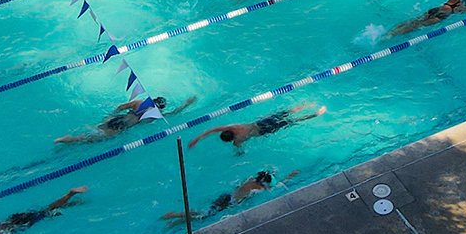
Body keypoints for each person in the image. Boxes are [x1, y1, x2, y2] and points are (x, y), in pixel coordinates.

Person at [163, 171, 294, 225]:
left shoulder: (250, 180)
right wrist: (290, 176)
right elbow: (277, 186)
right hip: (229, 203)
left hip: (226, 196)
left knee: (204, 214)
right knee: (203, 216)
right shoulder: (259, 188)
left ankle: (176, 221)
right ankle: (173, 215)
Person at [57, 96, 196, 144]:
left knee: (97, 129)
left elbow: (120, 107)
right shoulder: (153, 115)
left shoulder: (139, 102)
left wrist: (110, 116)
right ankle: (70, 139)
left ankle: (72, 137)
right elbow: (173, 113)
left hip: (117, 119)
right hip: (122, 127)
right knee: (91, 139)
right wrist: (186, 104)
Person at [188, 104, 326, 152]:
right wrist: (197, 139)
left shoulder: (238, 140)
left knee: (290, 121)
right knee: (286, 113)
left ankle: (314, 115)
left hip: (262, 131)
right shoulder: (233, 127)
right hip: (260, 123)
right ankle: (307, 105)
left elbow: (239, 150)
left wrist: (238, 153)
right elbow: (211, 130)